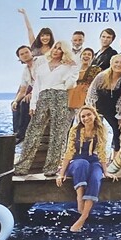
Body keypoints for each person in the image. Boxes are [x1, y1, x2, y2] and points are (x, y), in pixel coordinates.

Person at [16, 43, 79, 177]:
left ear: (64, 52)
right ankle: (22, 166)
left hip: (60, 96)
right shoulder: (42, 67)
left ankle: (51, 168)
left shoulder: (68, 67)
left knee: (58, 133)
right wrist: (33, 105)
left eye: (60, 49)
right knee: (32, 132)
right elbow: (37, 87)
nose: (56, 50)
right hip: (43, 96)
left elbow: (70, 85)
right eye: (55, 47)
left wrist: (73, 69)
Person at [54, 104, 112, 232]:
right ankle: (79, 198)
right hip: (77, 162)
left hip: (93, 160)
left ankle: (83, 217)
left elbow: (102, 152)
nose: (86, 118)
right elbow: (69, 152)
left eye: (88, 115)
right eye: (83, 116)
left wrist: (106, 171)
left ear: (94, 115)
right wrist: (61, 173)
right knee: (83, 163)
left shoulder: (100, 130)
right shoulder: (75, 130)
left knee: (96, 178)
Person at [88, 52, 121, 152]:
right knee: (94, 133)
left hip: (114, 111)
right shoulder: (101, 76)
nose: (119, 65)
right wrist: (92, 110)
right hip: (98, 108)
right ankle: (92, 154)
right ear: (111, 63)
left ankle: (115, 156)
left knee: (118, 133)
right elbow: (92, 93)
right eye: (116, 62)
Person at [11, 45, 36, 140]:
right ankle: (16, 132)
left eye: (26, 52)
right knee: (15, 104)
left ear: (31, 53)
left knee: (25, 102)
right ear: (19, 58)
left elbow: (44, 81)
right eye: (21, 54)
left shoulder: (39, 63)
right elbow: (22, 90)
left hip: (43, 91)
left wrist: (32, 93)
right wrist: (15, 101)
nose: (25, 55)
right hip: (34, 93)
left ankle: (22, 133)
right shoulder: (26, 70)